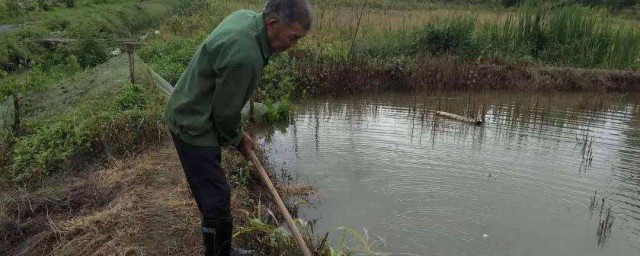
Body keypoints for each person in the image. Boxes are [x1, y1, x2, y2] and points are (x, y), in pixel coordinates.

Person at [163, 0, 311, 255]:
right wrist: (238, 138)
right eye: (293, 37)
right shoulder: (246, 56)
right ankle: (219, 253)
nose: (292, 46)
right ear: (273, 23)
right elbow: (225, 114)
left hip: (193, 106)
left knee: (216, 194)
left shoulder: (246, 18)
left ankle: (223, 249)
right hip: (193, 123)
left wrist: (237, 134)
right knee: (216, 199)